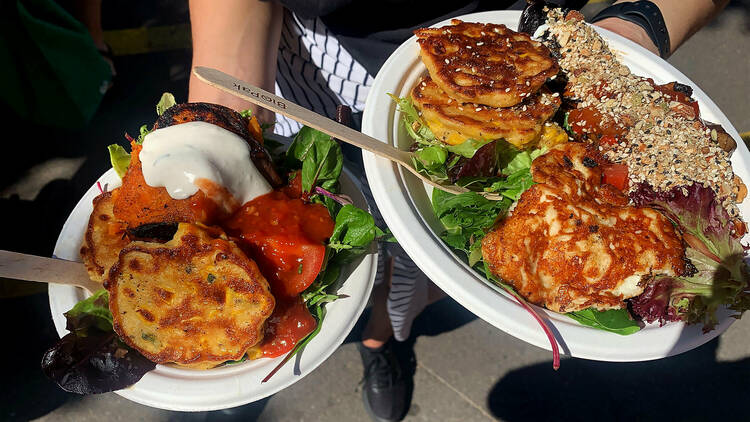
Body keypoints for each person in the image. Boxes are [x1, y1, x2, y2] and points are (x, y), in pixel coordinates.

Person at [187, 1, 729, 420]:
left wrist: (624, 33)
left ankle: (389, 332)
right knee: (348, 239)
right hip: (326, 72)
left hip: (534, 48)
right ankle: (379, 339)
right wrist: (219, 144)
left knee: (432, 255)